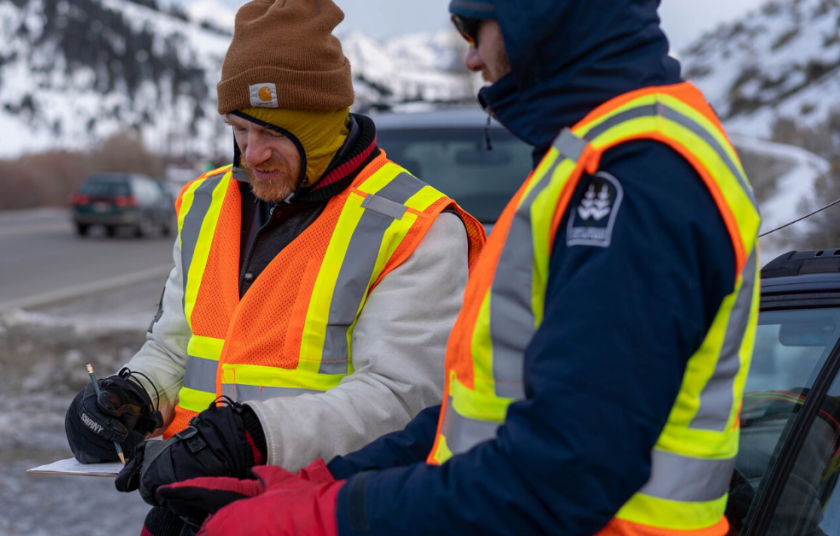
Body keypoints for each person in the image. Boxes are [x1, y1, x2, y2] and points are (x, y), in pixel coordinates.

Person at [155, 0, 763, 534]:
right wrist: (311, 483)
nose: (471, 60)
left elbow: (560, 473)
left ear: (540, 14)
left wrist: (312, 517)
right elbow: (477, 423)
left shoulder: (637, 181)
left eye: (476, 28)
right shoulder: (591, 159)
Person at [62, 0, 485, 534]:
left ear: (324, 124)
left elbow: (403, 399)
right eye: (240, 129)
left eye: (275, 133)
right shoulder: (206, 203)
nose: (252, 153)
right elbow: (179, 344)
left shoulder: (415, 227)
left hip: (321, 513)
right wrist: (134, 397)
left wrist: (251, 438)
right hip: (193, 510)